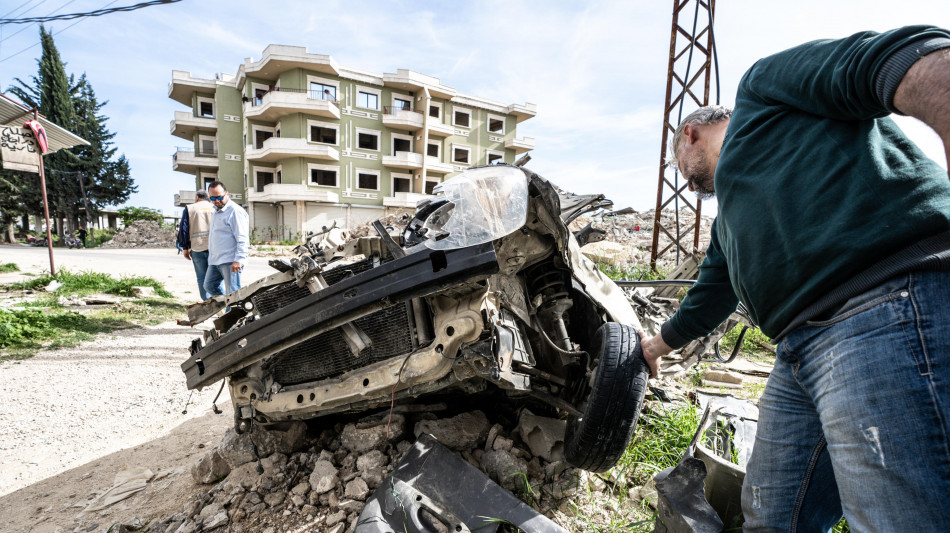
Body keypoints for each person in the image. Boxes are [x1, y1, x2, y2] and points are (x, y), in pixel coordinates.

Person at [640, 26, 950, 531]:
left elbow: (900, 58)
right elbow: (710, 295)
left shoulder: (763, 93)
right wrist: (654, 347)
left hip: (888, 306)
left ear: (690, 135)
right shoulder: (728, 221)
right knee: (771, 518)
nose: (688, 185)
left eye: (682, 170)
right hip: (796, 353)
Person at [204, 180, 249, 299]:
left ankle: (233, 308)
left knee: (232, 292)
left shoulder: (235, 211)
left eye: (220, 197)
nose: (217, 201)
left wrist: (238, 259)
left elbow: (242, 238)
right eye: (213, 198)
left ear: (227, 194)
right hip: (215, 260)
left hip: (230, 260)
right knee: (209, 286)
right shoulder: (216, 211)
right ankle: (229, 304)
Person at [176, 190, 216, 300]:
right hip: (215, 248)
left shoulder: (190, 208)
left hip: (197, 247)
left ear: (197, 197)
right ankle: (219, 301)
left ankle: (207, 302)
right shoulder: (215, 207)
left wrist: (185, 247)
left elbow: (184, 229)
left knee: (201, 277)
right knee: (216, 278)